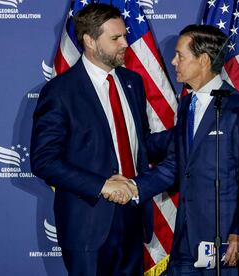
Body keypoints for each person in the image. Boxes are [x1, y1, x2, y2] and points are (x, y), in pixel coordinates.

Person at [30, 3, 171, 275]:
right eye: (116, 38)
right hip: (88, 224)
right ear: (90, 41)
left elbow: (140, 144)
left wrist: (187, 133)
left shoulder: (133, 82)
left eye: (125, 36)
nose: (126, 44)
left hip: (133, 217)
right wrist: (102, 185)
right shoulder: (60, 91)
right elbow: (43, 160)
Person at [125, 24, 239, 275]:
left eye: (180, 55)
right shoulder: (188, 104)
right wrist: (133, 188)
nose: (173, 61)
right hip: (186, 237)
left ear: (203, 59)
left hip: (224, 240)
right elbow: (178, 164)